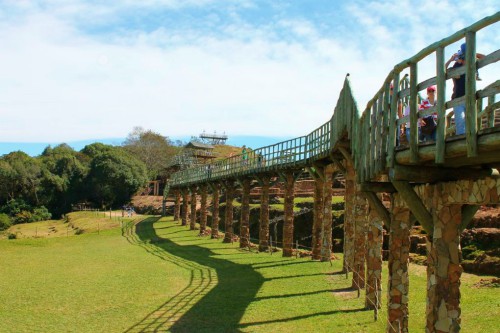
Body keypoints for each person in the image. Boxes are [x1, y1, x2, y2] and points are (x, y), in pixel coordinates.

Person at [446, 42, 485, 135]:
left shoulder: (473, 64)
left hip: (470, 97)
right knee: (460, 122)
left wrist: (474, 54)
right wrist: (450, 60)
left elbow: (486, 58)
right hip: (458, 98)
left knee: (471, 121)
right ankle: (461, 141)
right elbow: (444, 71)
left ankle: (471, 139)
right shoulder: (457, 65)